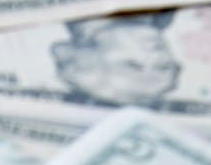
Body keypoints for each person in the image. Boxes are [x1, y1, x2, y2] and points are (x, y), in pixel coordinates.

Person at [50, 11, 181, 107]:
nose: (155, 55)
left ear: (87, 59)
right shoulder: (164, 14)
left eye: (133, 64)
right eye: (163, 65)